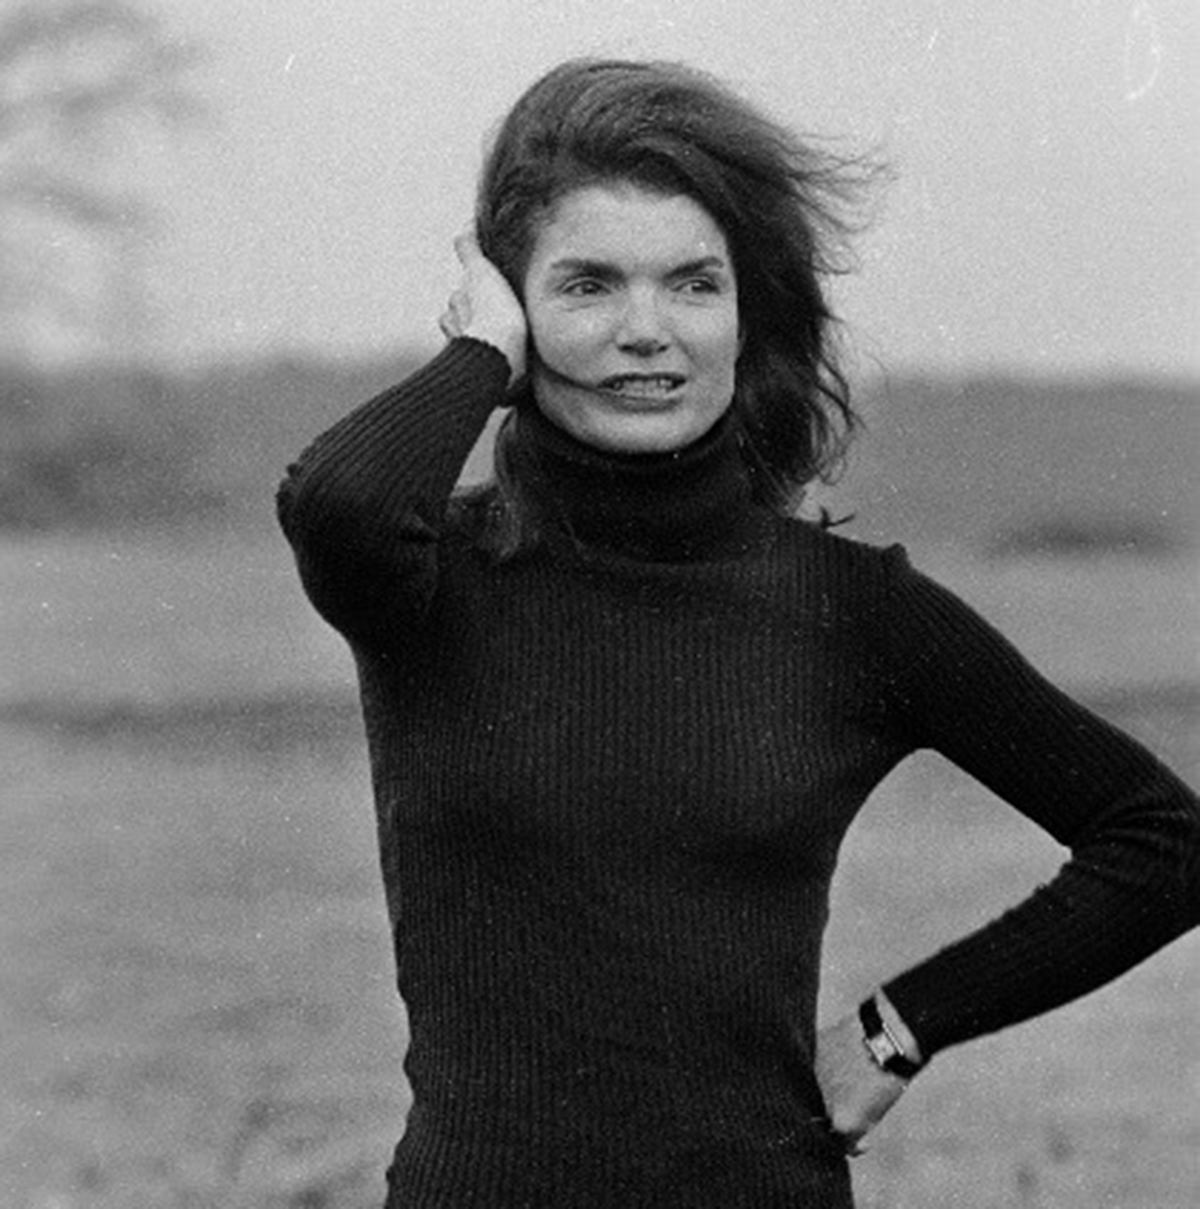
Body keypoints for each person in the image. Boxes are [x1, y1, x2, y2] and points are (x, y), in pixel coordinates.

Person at [276, 57, 1199, 1207]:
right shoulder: (431, 584)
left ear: (745, 314)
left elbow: (1163, 839)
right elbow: (338, 500)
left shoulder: (852, 611)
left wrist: (902, 1027)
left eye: (693, 284)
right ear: (515, 312)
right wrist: (480, 351)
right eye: (588, 286)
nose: (647, 332)